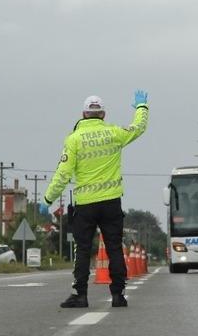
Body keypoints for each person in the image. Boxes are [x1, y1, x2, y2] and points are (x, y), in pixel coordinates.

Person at [44, 91, 149, 308]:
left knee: (82, 249)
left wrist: (48, 198)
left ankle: (80, 295)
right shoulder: (114, 133)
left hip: (86, 204)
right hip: (111, 202)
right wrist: (141, 108)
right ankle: (118, 295)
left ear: (83, 114)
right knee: (114, 248)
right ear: (103, 114)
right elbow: (138, 128)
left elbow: (63, 173)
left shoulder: (73, 140)